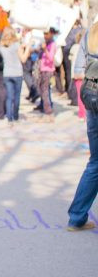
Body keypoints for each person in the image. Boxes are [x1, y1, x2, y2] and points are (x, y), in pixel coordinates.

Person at [67, 21, 98, 231]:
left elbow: (79, 70)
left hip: (91, 96)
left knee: (95, 162)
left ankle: (76, 217)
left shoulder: (91, 32)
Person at [0, 26, 29, 125]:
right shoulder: (16, 45)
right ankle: (15, 116)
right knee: (16, 97)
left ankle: (9, 119)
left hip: (7, 73)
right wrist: (28, 48)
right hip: (17, 73)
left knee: (9, 97)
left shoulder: (1, 45)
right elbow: (23, 59)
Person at [36, 27, 57, 122]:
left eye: (47, 34)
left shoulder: (53, 44)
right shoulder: (45, 43)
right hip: (42, 68)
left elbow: (51, 58)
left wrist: (45, 50)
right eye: (44, 33)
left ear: (51, 34)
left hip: (48, 69)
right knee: (43, 90)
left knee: (45, 91)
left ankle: (48, 111)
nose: (45, 36)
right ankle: (45, 106)